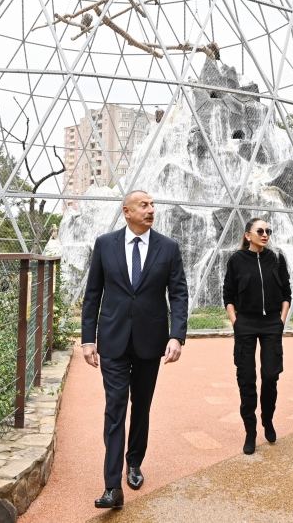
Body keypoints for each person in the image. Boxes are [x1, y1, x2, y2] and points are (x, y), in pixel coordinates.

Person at [81, 190, 189, 509]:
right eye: (144, 205)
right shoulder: (105, 244)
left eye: (153, 204)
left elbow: (179, 294)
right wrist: (88, 338)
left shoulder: (168, 248)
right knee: (115, 409)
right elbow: (93, 294)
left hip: (150, 341)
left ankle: (134, 462)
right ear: (127, 211)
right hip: (113, 340)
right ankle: (112, 486)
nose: (151, 209)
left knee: (141, 407)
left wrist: (176, 336)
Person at [223, 217, 291, 455]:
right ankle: (250, 430)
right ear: (247, 235)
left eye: (268, 231)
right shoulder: (236, 260)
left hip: (272, 322)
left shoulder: (277, 258)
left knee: (271, 375)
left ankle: (267, 419)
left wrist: (281, 320)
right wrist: (236, 322)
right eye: (260, 231)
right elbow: (228, 295)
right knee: (246, 378)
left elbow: (286, 293)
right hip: (246, 323)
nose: (265, 235)